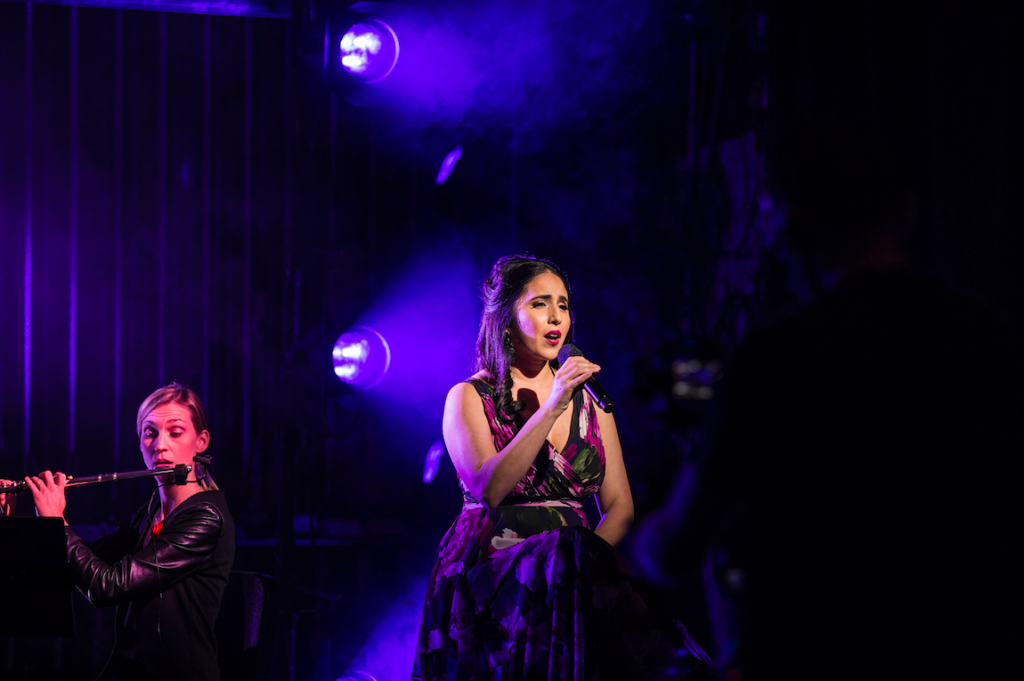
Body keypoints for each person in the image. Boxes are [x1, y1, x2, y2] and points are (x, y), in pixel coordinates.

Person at [636, 128, 1024, 680]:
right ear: (907, 210)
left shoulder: (776, 359)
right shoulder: (987, 342)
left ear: (795, 227)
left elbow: (675, 550)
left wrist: (645, 530)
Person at [413, 255, 709, 681]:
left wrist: (581, 569)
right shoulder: (468, 397)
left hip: (575, 574)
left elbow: (621, 507)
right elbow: (489, 488)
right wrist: (551, 407)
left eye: (564, 305)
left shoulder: (591, 401)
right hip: (493, 574)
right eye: (540, 304)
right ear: (506, 321)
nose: (556, 317)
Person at [24, 382, 236, 681]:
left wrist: (57, 522)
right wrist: (19, 518)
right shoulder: (151, 510)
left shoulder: (205, 519)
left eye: (175, 432)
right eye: (150, 433)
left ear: (201, 442)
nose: (159, 445)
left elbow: (106, 586)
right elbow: (77, 568)